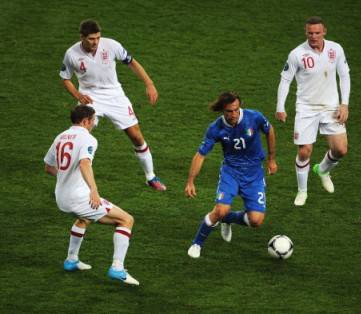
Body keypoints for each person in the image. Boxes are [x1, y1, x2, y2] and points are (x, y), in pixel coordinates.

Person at [59, 19, 166, 191]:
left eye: (98, 38)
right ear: (82, 37)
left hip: (115, 96)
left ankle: (150, 176)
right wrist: (78, 95)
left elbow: (131, 62)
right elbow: (65, 78)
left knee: (136, 136)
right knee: (81, 136)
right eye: (91, 39)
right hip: (90, 97)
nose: (95, 42)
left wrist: (149, 83)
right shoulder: (71, 54)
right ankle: (72, 180)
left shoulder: (111, 46)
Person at [44, 105, 139, 285]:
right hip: (78, 198)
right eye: (94, 119)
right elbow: (85, 164)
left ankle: (71, 260)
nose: (95, 123)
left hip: (61, 197)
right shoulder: (88, 139)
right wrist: (94, 191)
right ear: (86, 121)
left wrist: (65, 177)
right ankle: (117, 268)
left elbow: (48, 167)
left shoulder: (60, 137)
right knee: (126, 220)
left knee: (83, 219)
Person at [185, 92, 277, 258]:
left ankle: (228, 219)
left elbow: (269, 130)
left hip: (254, 174)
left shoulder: (254, 117)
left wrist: (271, 159)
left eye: (236, 110)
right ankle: (197, 243)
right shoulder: (215, 128)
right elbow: (200, 155)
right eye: (229, 111)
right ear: (222, 110)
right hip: (231, 172)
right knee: (220, 210)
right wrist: (191, 181)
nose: (233, 114)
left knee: (256, 220)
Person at [275, 16, 350, 206]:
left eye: (317, 32)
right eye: (310, 33)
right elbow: (285, 80)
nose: (314, 36)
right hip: (306, 108)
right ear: (305, 32)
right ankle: (302, 191)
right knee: (304, 151)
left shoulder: (336, 49)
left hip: (331, 107)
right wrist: (280, 107)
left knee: (340, 150)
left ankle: (323, 170)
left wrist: (344, 104)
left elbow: (344, 75)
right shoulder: (297, 54)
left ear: (324, 31)